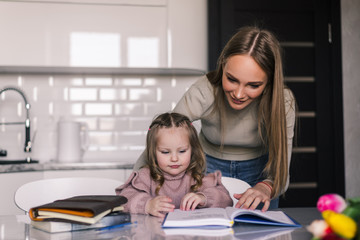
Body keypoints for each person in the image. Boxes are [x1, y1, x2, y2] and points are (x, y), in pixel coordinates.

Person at [134, 26, 296, 212]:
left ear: (270, 81)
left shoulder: (283, 101)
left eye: (253, 85)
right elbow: (163, 136)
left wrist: (265, 187)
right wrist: (135, 189)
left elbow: (282, 169)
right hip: (207, 170)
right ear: (223, 65)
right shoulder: (205, 90)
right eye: (232, 79)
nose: (239, 94)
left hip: (260, 174)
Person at [116, 112, 233, 218]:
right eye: (165, 152)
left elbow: (226, 199)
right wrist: (147, 205)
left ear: (192, 150)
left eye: (182, 151)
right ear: (153, 152)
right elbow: (124, 199)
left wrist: (203, 198)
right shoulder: (146, 177)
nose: (174, 158)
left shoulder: (196, 178)